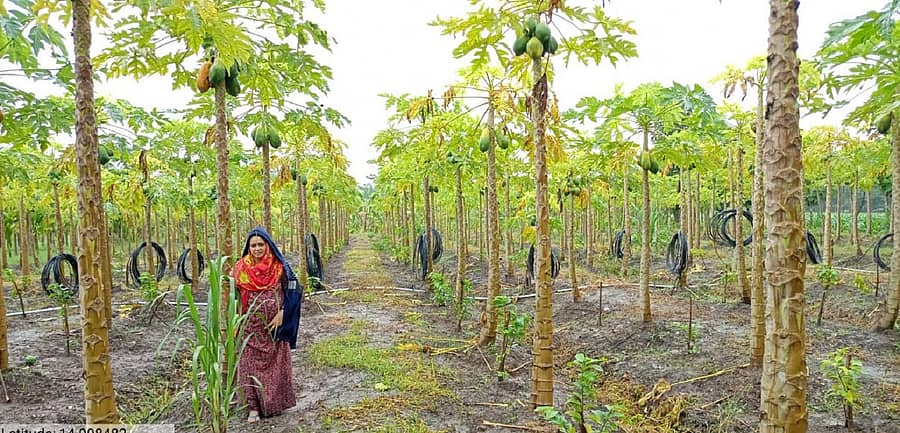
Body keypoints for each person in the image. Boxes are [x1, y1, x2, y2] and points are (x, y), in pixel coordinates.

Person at [231, 227, 303, 423]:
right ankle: (252, 408)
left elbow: (295, 288)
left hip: (274, 329)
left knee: (275, 367)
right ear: (248, 247)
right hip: (249, 330)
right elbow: (230, 297)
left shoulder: (280, 267)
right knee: (248, 367)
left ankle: (273, 405)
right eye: (253, 245)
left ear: (268, 245)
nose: (257, 249)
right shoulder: (239, 269)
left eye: (261, 244)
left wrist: (284, 313)